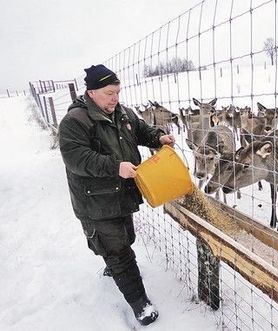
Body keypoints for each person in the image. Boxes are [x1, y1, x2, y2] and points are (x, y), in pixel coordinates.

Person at [58, 64, 175, 326]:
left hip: (121, 194)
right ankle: (140, 304)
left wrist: (159, 138)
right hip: (95, 201)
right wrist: (115, 167)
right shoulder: (75, 122)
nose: (115, 98)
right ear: (91, 93)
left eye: (118, 92)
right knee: (119, 251)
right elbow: (77, 159)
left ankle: (112, 262)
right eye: (109, 93)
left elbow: (141, 130)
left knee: (125, 238)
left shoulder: (122, 113)